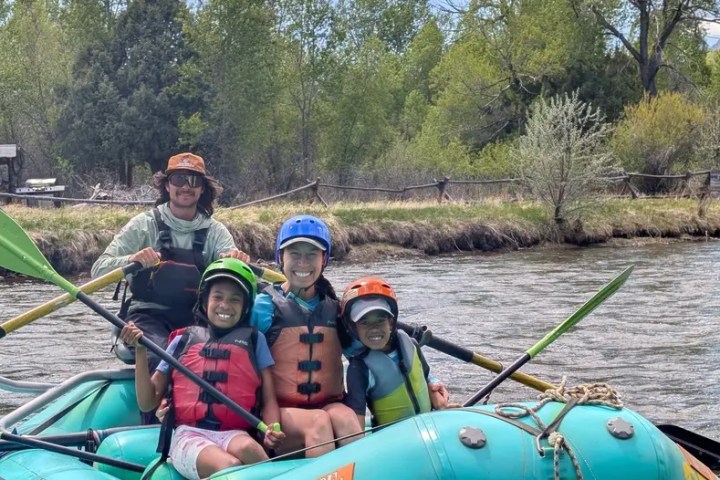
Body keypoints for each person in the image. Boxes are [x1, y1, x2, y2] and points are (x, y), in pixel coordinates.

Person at [119, 258, 285, 480]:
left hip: (234, 433)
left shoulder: (256, 341)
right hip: (188, 434)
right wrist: (140, 351)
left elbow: (269, 398)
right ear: (205, 300)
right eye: (218, 297)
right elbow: (147, 402)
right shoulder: (183, 340)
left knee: (252, 452)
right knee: (230, 465)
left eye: (235, 300)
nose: (225, 305)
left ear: (245, 307)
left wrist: (271, 428)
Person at [91, 152, 250, 374]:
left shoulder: (216, 232)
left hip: (197, 316)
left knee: (214, 351)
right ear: (167, 186)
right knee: (159, 354)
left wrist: (237, 263)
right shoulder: (143, 225)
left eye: (193, 180)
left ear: (203, 188)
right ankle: (158, 402)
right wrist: (131, 259)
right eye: (178, 179)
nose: (186, 186)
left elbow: (237, 279)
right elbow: (98, 270)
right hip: (147, 317)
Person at [249, 215, 362, 457]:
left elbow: (372, 352)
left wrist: (430, 380)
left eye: (311, 254)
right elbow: (237, 355)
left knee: (345, 417)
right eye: (294, 254)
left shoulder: (336, 310)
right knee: (318, 421)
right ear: (281, 258)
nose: (303, 263)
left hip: (327, 403)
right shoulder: (264, 306)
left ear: (324, 260)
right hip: (278, 416)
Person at [340, 277, 451, 428]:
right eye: (364, 322)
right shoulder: (359, 368)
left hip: (430, 424)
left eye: (380, 320)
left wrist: (435, 387)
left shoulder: (411, 345)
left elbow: (426, 377)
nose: (374, 328)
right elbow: (357, 422)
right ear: (353, 327)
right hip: (396, 441)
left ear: (391, 322)